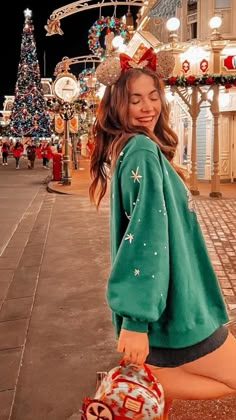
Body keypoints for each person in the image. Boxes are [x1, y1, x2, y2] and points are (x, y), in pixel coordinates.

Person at [89, 48, 236, 419]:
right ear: (117, 105)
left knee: (165, 394)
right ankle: (134, 383)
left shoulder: (137, 148)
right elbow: (144, 237)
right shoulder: (139, 150)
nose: (147, 107)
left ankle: (142, 383)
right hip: (180, 310)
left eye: (153, 96)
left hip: (176, 305)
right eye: (134, 99)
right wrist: (136, 321)